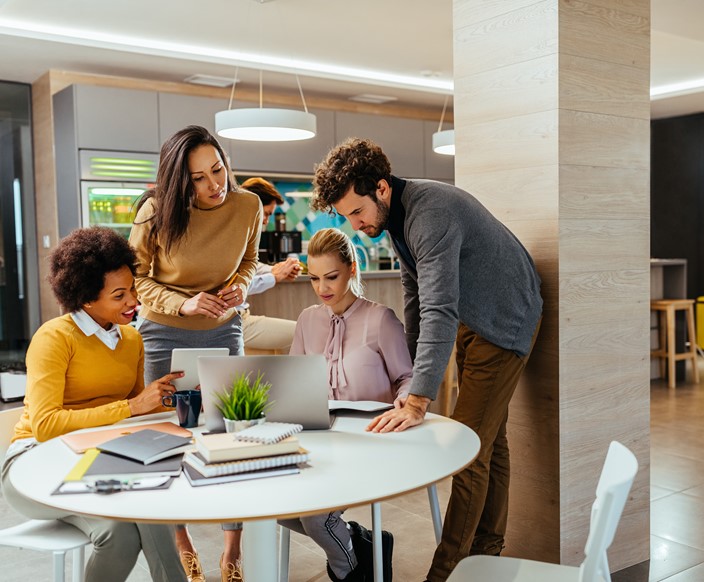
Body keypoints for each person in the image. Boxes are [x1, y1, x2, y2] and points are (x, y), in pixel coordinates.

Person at [311, 138, 543, 582]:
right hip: (474, 318)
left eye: (357, 212)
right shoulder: (397, 219)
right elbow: (416, 298)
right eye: (346, 217)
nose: (355, 225)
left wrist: (418, 398)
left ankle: (444, 574)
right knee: (489, 442)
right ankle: (487, 554)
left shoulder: (429, 211)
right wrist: (412, 380)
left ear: (380, 187)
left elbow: (439, 306)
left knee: (469, 450)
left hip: (506, 318)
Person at [0, 226, 187, 582]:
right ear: (87, 298)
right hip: (34, 462)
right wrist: (132, 408)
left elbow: (134, 408)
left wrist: (172, 401)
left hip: (99, 456)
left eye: (132, 288)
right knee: (117, 534)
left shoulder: (131, 338)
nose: (134, 301)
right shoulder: (54, 338)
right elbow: (46, 425)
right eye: (120, 295)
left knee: (152, 506)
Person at [129, 125, 262, 582]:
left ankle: (232, 551)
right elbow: (137, 278)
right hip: (164, 333)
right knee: (169, 440)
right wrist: (182, 302)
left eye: (218, 170)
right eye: (198, 178)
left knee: (232, 437)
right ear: (179, 182)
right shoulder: (154, 212)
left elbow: (249, 261)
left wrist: (238, 288)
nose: (214, 185)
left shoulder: (248, 205)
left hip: (224, 331)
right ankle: (181, 541)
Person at [279, 227, 410, 582]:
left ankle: (350, 571)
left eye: (332, 277)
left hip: (370, 443)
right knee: (274, 506)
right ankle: (360, 542)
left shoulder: (380, 319)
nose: (323, 288)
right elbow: (294, 382)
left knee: (315, 517)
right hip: (321, 443)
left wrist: (403, 405)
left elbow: (407, 378)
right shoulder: (307, 320)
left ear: (352, 268)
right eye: (314, 278)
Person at [237, 177, 302, 352]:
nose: (266, 221)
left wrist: (275, 269)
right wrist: (273, 276)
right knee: (304, 332)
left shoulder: (243, 235)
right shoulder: (231, 236)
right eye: (266, 213)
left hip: (240, 318)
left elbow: (248, 267)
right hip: (236, 322)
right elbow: (237, 285)